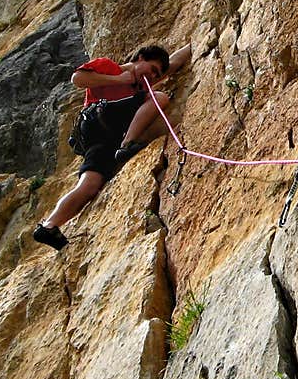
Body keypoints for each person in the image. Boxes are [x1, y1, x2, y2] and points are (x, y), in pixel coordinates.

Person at [32, 42, 191, 250]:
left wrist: (194, 39)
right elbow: (78, 79)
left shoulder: (142, 86)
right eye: (152, 69)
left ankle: (49, 225)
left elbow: (176, 61)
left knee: (89, 185)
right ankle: (128, 143)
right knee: (159, 97)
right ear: (140, 58)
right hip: (96, 118)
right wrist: (118, 79)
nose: (153, 76)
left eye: (157, 74)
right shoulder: (109, 66)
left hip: (104, 139)